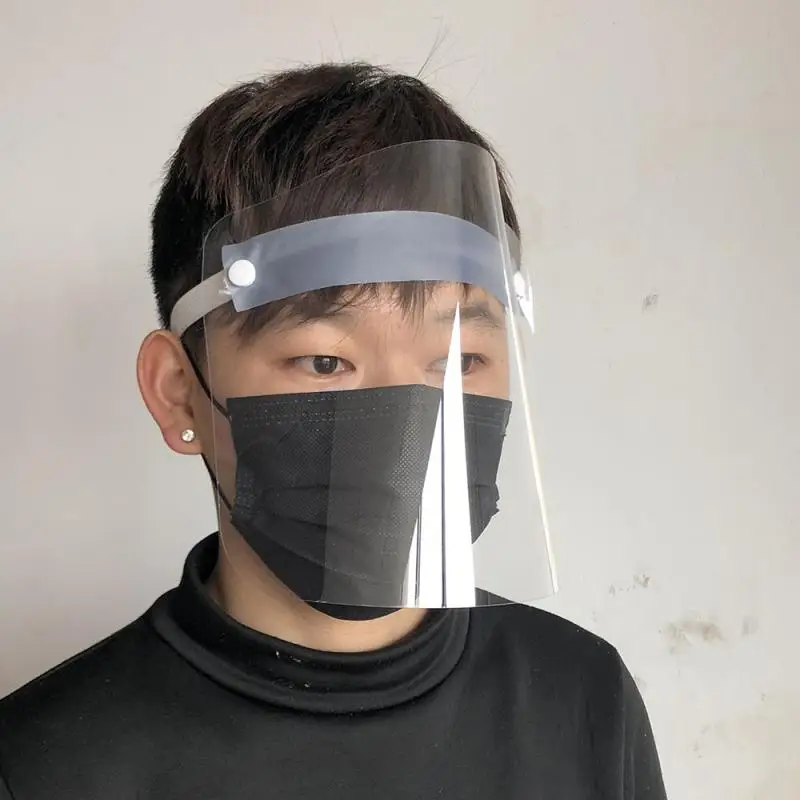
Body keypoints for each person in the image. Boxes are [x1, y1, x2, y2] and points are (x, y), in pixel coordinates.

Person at [0, 62, 667, 799]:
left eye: (459, 360)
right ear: (178, 392)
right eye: (325, 361)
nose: (408, 427)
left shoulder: (582, 700)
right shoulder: (42, 767)